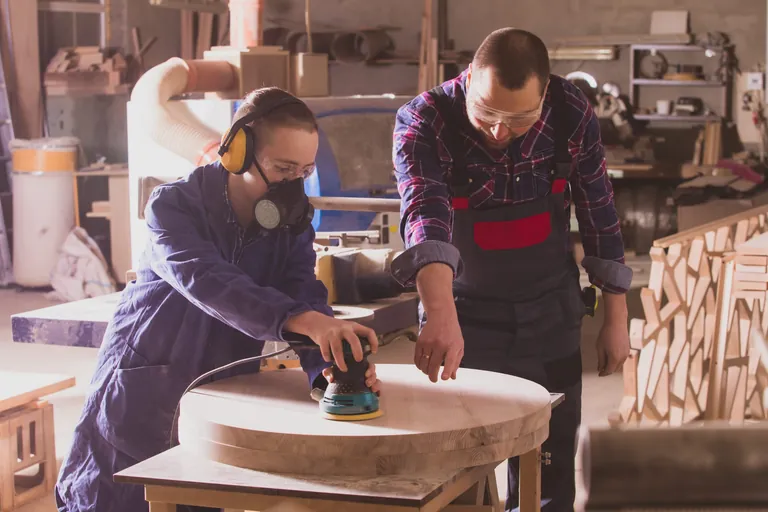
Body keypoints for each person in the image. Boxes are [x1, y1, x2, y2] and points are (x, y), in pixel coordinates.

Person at [54, 87, 382, 512]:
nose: (293, 185)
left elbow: (302, 289)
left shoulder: (291, 226)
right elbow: (207, 280)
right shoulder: (173, 207)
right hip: (146, 385)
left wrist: (329, 367)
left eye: (303, 172)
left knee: (201, 496)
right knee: (117, 498)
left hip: (221, 392)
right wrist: (305, 321)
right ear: (238, 152)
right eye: (283, 168)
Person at [390, 28, 633, 511]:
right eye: (487, 112)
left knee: (550, 464)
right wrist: (439, 313)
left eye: (520, 118)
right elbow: (426, 216)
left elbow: (598, 211)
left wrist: (617, 317)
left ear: (544, 93)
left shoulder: (570, 111)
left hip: (551, 316)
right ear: (468, 80)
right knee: (456, 470)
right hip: (460, 315)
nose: (500, 131)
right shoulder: (425, 120)